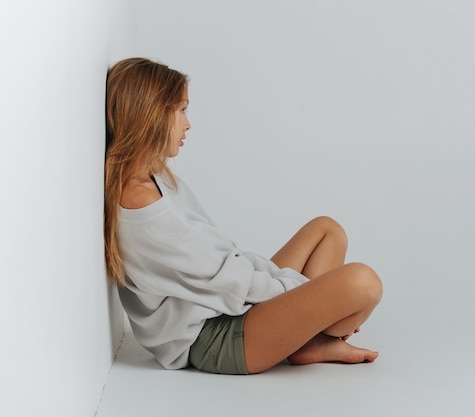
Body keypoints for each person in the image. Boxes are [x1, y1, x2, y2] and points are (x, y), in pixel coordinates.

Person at [104, 57, 383, 375]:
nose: (188, 123)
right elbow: (224, 276)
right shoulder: (141, 203)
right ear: (151, 114)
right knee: (363, 283)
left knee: (326, 230)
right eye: (181, 109)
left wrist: (300, 293)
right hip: (214, 337)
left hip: (225, 303)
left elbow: (226, 259)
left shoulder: (157, 179)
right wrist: (307, 296)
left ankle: (308, 341)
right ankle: (310, 339)